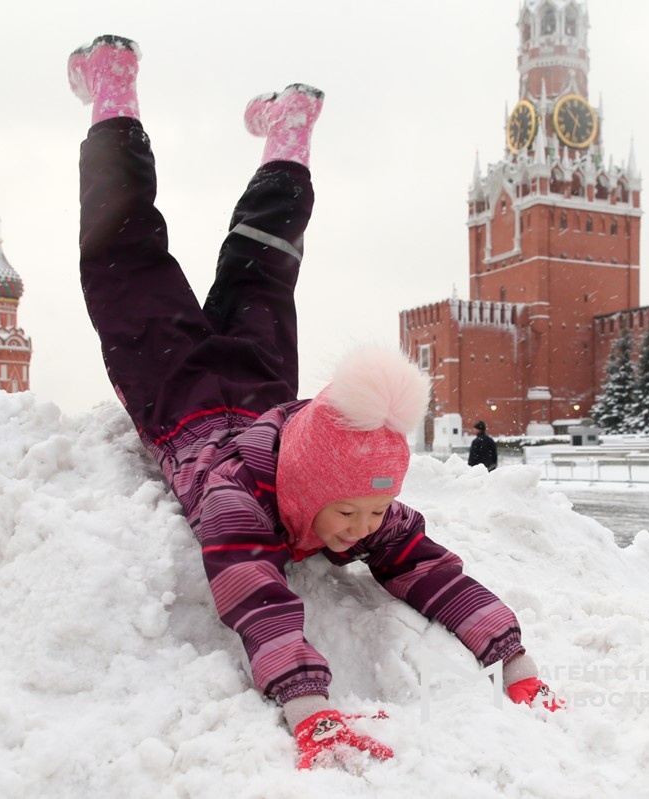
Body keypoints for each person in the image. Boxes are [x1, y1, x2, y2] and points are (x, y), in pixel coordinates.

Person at [69, 35, 560, 770]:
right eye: (353, 515)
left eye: (373, 513)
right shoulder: (238, 499)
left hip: (249, 384)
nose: (366, 529)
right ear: (307, 485)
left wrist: (513, 657)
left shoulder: (352, 488)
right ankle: (119, 94)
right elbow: (255, 596)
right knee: (133, 255)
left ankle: (288, 131)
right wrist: (311, 707)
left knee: (261, 268)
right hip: (182, 394)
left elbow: (433, 568)